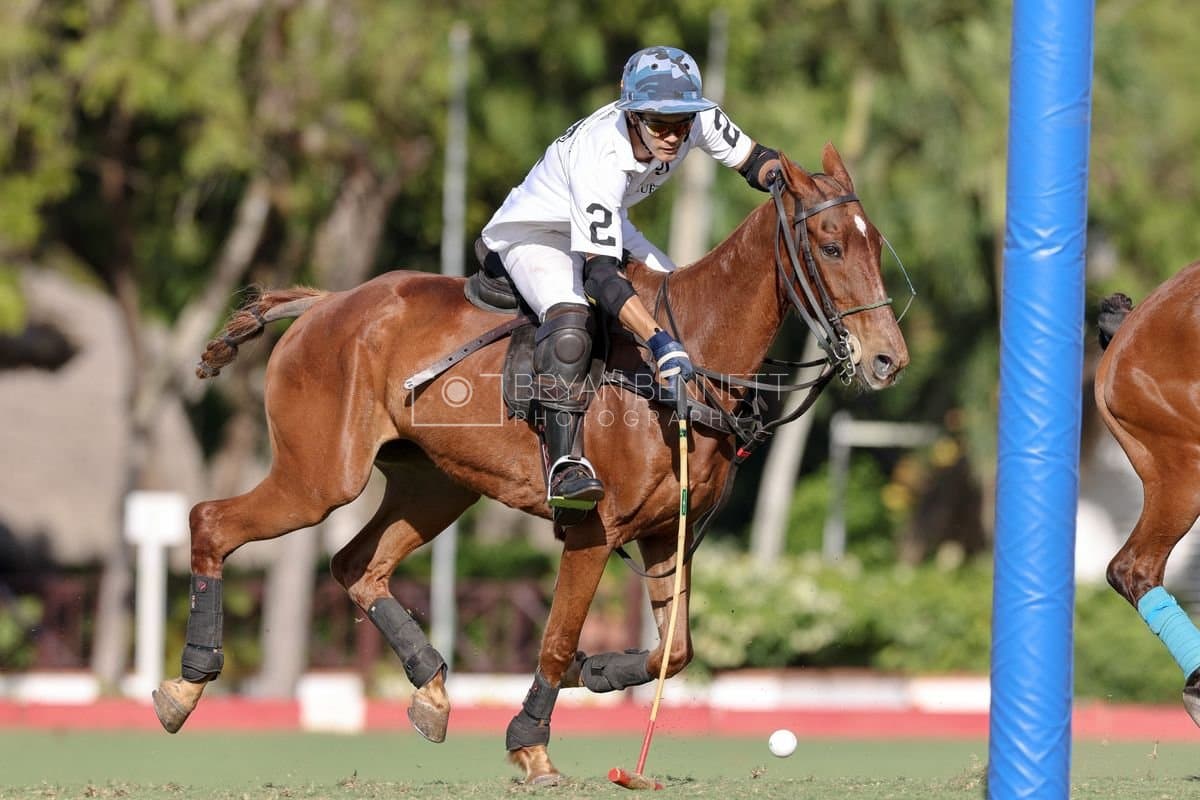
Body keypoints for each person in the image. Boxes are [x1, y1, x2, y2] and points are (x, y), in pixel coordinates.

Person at [480, 45, 782, 515]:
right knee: (571, 316)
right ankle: (565, 464)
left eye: (682, 125)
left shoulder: (693, 117)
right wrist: (659, 342)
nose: (673, 137)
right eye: (659, 124)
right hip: (537, 233)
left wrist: (802, 187)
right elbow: (601, 274)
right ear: (633, 115)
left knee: (683, 300)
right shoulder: (599, 155)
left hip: (606, 223)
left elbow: (755, 161)